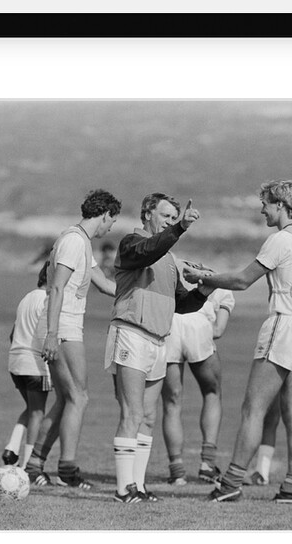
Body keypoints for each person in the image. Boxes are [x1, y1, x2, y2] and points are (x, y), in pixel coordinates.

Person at [183, 179, 292, 504]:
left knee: (253, 408)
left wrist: (202, 278)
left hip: (284, 325)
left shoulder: (280, 240)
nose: (262, 209)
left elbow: (242, 280)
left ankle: (231, 481)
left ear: (280, 205)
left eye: (266, 203)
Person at [106, 193, 210, 504]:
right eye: (165, 216)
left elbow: (182, 304)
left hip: (158, 339)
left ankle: (137, 486)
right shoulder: (131, 242)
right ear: (148, 213)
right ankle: (123, 489)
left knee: (149, 417)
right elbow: (147, 251)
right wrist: (179, 229)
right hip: (131, 333)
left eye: (172, 217)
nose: (168, 221)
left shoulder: (169, 259)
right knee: (132, 412)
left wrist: (207, 286)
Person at [23, 189, 120, 489]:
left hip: (65, 326)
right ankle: (68, 468)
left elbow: (104, 285)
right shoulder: (73, 241)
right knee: (80, 396)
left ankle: (35, 463)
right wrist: (52, 334)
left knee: (68, 397)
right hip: (61, 326)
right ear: (104, 214)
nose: (110, 228)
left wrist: (142, 295)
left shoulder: (83, 244)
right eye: (111, 221)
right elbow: (56, 288)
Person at [162, 270, 235, 486]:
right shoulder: (224, 285)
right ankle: (207, 465)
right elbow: (219, 330)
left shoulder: (178, 270)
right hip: (199, 325)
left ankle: (177, 472)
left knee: (171, 402)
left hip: (171, 325)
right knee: (212, 393)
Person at [1, 262, 53, 468]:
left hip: (15, 361)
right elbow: (46, 334)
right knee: (37, 412)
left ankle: (12, 448)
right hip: (35, 365)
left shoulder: (26, 298)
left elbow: (13, 334)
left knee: (31, 407)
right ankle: (27, 464)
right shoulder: (48, 301)